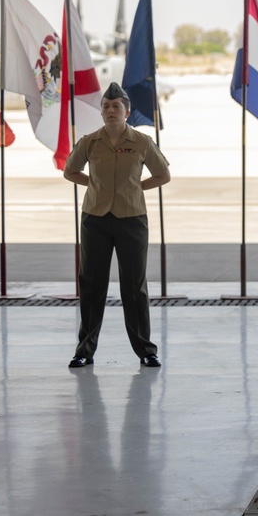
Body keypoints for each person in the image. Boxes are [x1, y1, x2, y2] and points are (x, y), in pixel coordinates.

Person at [63, 82, 171, 369]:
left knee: (134, 287)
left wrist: (135, 187)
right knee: (91, 284)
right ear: (101, 112)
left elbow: (163, 175)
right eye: (106, 106)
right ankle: (84, 350)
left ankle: (146, 351)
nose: (111, 111)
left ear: (127, 111)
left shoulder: (142, 142)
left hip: (132, 219)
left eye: (116, 107)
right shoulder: (89, 141)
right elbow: (70, 171)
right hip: (95, 219)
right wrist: (96, 185)